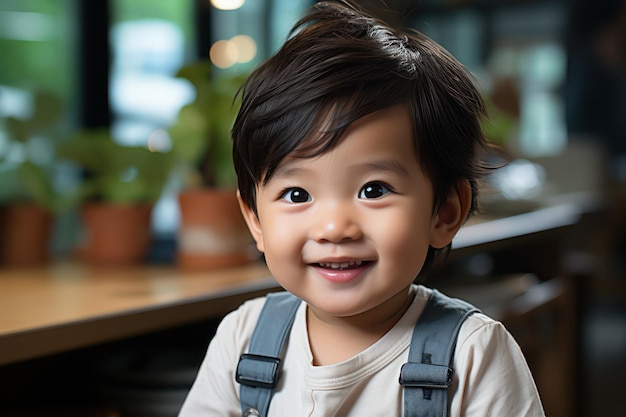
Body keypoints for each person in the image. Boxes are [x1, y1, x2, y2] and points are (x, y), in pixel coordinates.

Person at [178, 1, 546, 416]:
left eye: (374, 190)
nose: (335, 227)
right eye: (298, 195)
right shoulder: (243, 339)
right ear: (255, 221)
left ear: (444, 213)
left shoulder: (473, 355)